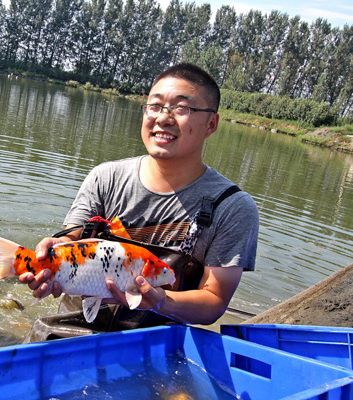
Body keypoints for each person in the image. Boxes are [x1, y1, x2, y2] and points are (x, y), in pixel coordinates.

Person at [19, 63, 259, 336]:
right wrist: (52, 253)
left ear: (211, 124)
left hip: (155, 341)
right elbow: (70, 241)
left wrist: (161, 301)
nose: (164, 118)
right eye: (155, 106)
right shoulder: (106, 177)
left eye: (182, 109)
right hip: (70, 328)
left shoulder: (231, 206)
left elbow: (214, 300)